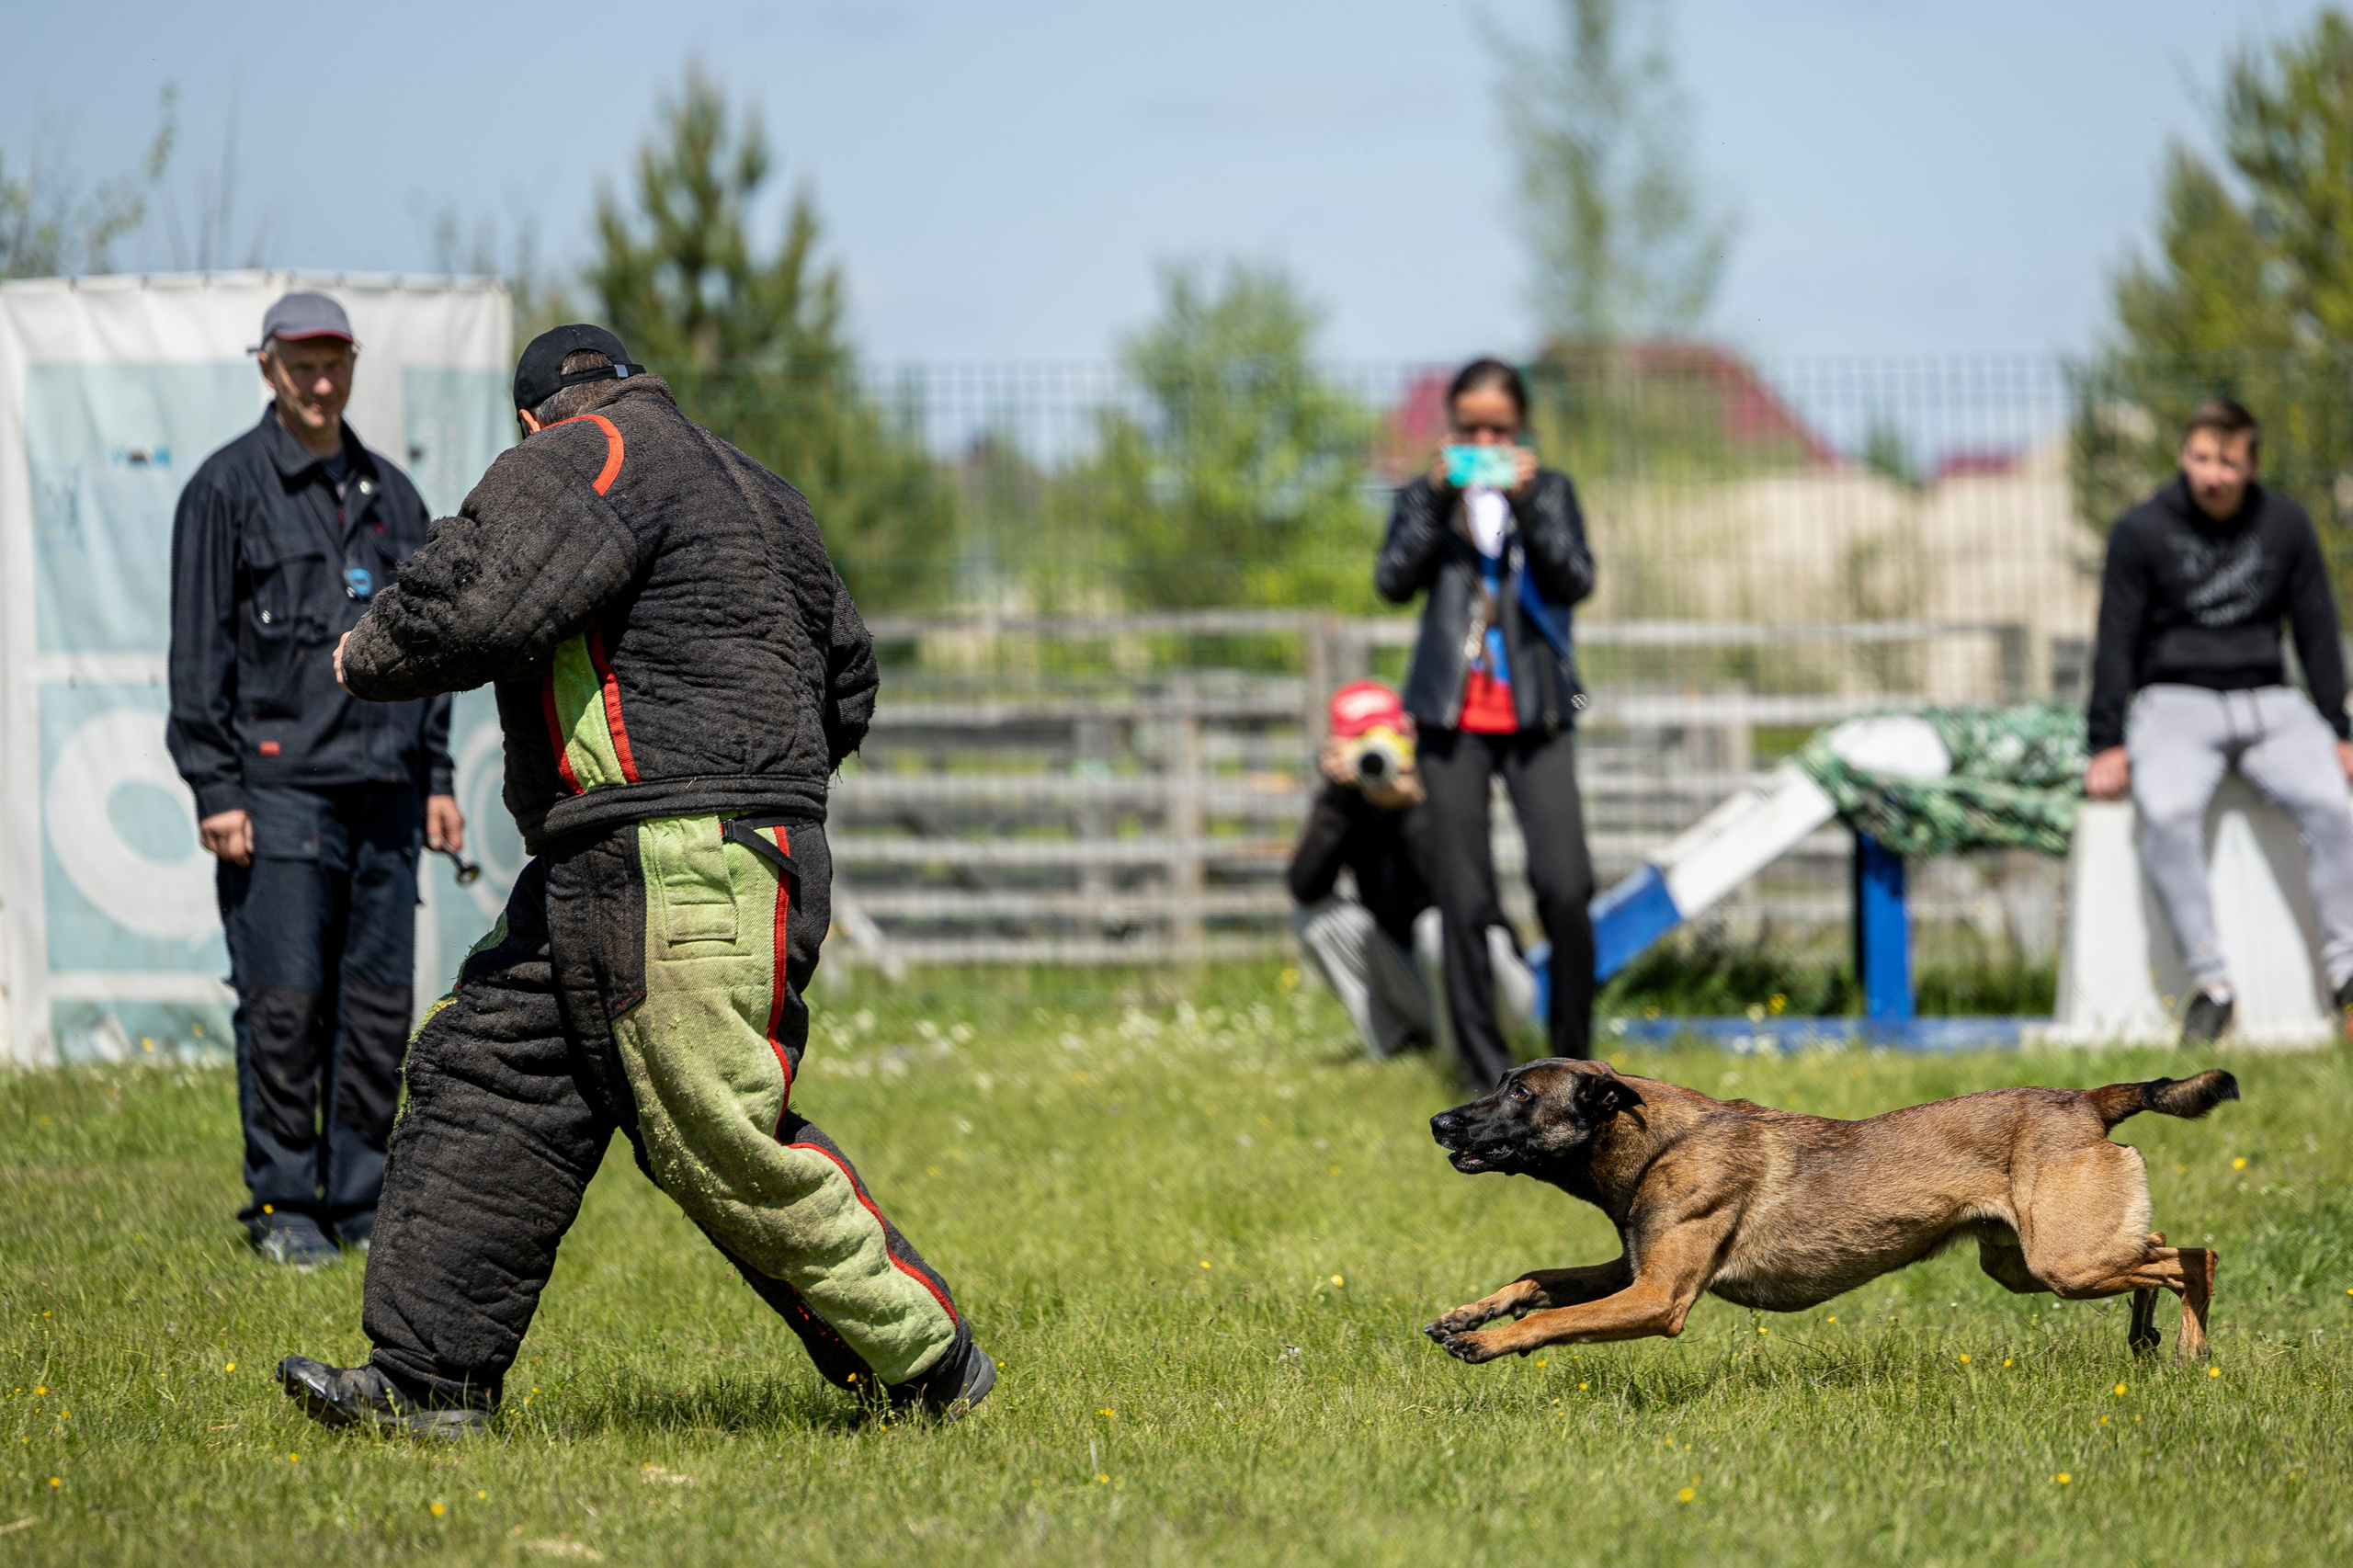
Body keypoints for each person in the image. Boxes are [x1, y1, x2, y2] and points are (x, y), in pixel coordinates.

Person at [271, 324, 992, 1436]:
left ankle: (927, 1361)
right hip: (644, 852)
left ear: (528, 418)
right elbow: (847, 671)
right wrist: (772, 794)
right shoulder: (757, 483)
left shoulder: (579, 456)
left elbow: (474, 597)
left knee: (714, 1127)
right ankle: (428, 1382)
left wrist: (364, 650)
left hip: (670, 854)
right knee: (490, 1074)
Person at [165, 290, 462, 1271]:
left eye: (334, 361)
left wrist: (436, 774)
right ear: (266, 367)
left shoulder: (396, 498)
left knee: (377, 1010)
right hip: (277, 792)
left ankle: (361, 1197)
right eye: (301, 364)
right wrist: (216, 786)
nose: (320, 381)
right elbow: (196, 656)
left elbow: (431, 651)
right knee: (286, 1003)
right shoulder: (223, 491)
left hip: (385, 787)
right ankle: (286, 1200)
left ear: (353, 362)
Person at [2084, 396, 2353, 1044]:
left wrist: (2339, 729)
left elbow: (2316, 629)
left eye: (2227, 462)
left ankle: (2347, 976)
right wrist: (2105, 741)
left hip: (2269, 699)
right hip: (2175, 700)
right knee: (2169, 812)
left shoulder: (2286, 524)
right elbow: (2114, 639)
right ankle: (2212, 987)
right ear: (2184, 455)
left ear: (2252, 463)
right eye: (2201, 458)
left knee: (2334, 804)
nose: (2212, 474)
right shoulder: (2141, 530)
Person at [1375, 358, 1597, 1089]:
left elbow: (1576, 580)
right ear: (1449, 428)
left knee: (1565, 885)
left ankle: (1575, 1063)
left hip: (1536, 715)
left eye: (1499, 429)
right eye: (1469, 428)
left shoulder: (1554, 493)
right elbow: (1392, 582)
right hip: (1452, 719)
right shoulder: (1421, 499)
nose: (1484, 439)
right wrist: (1436, 503)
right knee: (1464, 898)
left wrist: (1529, 504)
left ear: (1522, 429)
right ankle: (1483, 1071)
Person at [1288, 680, 1536, 1061]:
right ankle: (1397, 1047)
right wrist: (1336, 802)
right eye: (1359, 741)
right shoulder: (1345, 803)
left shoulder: (1444, 782)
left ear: (1406, 736)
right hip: (1419, 980)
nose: (1372, 753)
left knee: (1437, 928)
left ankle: (1462, 1062)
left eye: (1381, 737)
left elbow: (1461, 896)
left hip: (1493, 984)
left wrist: (1414, 806)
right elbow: (1304, 888)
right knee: (1314, 917)